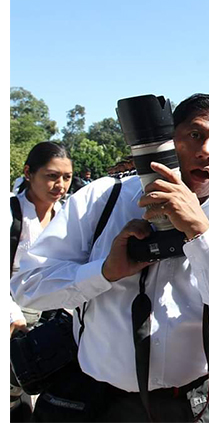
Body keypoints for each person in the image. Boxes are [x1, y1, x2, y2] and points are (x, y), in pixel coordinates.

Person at [11, 93, 209, 422]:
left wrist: (199, 233)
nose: (205, 151)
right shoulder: (101, 198)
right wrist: (103, 272)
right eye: (194, 135)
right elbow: (27, 286)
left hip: (195, 404)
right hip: (98, 402)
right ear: (167, 141)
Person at [9, 141, 73, 422]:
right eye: (51, 175)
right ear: (28, 173)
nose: (60, 184)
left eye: (67, 177)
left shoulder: (69, 215)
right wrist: (12, 316)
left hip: (51, 314)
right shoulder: (11, 213)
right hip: (14, 313)